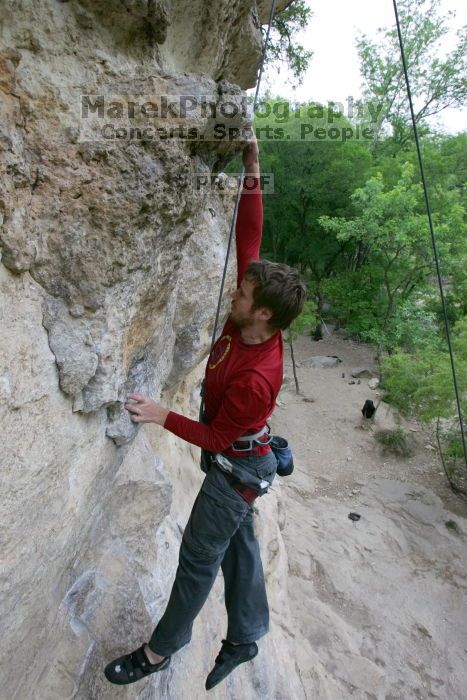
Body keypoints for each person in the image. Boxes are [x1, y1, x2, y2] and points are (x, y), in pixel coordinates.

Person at [104, 136, 307, 690]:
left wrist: (160, 414)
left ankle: (158, 651)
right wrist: (253, 166)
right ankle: (245, 634)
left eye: (242, 296)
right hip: (248, 458)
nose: (233, 297)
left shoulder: (256, 378)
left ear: (263, 314)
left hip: (235, 469)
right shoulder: (255, 316)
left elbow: (217, 438)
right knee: (235, 540)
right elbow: (251, 235)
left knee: (199, 559)